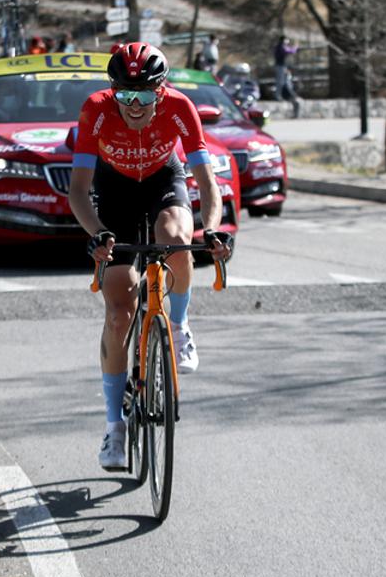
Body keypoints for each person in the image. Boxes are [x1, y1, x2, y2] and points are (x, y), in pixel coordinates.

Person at [68, 42, 233, 471]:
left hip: (163, 177)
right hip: (116, 188)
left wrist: (211, 228)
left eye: (144, 96)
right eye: (125, 95)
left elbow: (207, 183)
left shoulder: (180, 107)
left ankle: (176, 326)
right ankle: (114, 428)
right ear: (112, 90)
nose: (135, 105)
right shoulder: (95, 111)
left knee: (176, 237)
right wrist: (98, 234)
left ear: (161, 91)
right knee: (119, 310)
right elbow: (79, 190)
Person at [273, 35, 300, 117]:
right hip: (280, 66)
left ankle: (290, 95)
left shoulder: (281, 46)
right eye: (286, 40)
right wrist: (295, 48)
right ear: (283, 40)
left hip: (283, 66)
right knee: (280, 82)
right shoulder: (280, 46)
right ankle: (278, 96)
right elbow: (289, 51)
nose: (287, 41)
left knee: (286, 82)